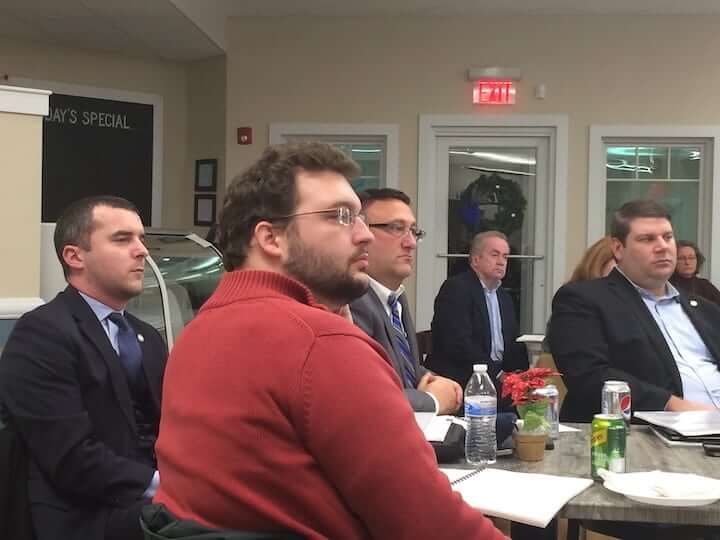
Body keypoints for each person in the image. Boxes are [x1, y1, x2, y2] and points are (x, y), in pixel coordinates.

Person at [153, 143, 506, 540]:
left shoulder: (197, 331)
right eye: (341, 217)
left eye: (359, 217)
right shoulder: (321, 344)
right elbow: (433, 525)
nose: (364, 236)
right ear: (271, 238)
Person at [0, 196, 167, 540]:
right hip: (80, 517)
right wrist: (165, 488)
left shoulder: (147, 338)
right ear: (74, 256)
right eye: (123, 239)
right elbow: (70, 458)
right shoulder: (43, 333)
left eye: (141, 238)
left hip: (145, 504)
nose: (142, 251)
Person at [549, 199, 720, 423]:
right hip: (649, 435)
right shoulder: (583, 299)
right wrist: (673, 405)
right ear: (618, 248)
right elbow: (589, 376)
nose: (662, 246)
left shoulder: (705, 309)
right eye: (647, 239)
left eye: (667, 237)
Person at [349, 188, 462, 414]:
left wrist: (443, 384)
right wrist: (432, 401)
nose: (410, 243)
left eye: (413, 231)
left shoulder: (395, 298)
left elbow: (405, 371)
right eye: (396, 228)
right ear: (359, 233)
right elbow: (366, 396)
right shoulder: (350, 302)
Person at [428, 231, 529, 393]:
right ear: (476, 260)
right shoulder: (456, 289)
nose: (501, 262)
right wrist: (499, 375)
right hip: (460, 379)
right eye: (495, 255)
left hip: (497, 378)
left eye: (505, 256)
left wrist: (521, 374)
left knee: (535, 395)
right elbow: (459, 344)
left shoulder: (504, 297)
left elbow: (512, 343)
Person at [671, 239, 720, 305]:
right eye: (681, 258)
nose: (687, 262)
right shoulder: (666, 285)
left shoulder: (705, 285)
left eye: (691, 258)